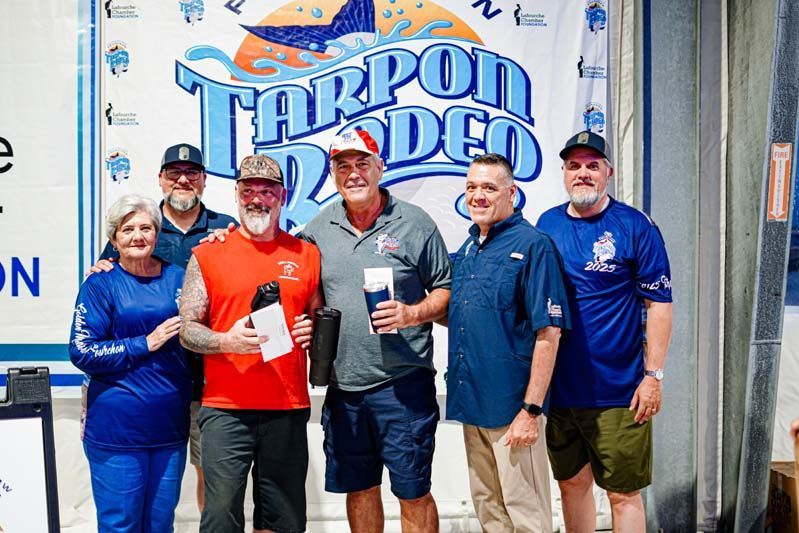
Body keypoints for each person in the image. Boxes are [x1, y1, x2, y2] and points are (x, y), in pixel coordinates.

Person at [300, 129, 451, 532]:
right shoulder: (318, 229)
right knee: (360, 489)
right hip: (344, 388)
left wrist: (413, 313)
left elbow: (446, 291)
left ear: (380, 167)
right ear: (332, 174)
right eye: (343, 166)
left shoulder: (414, 223)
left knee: (413, 490)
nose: (353, 174)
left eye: (362, 163)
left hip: (402, 385)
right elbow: (286, 273)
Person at [537, 131, 673, 532]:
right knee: (571, 484)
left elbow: (660, 305)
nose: (583, 173)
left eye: (592, 166)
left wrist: (653, 377)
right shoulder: (547, 224)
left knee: (622, 494)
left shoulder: (634, 226)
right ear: (564, 173)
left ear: (608, 173)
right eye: (574, 166)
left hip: (619, 392)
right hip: (561, 392)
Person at [179, 154, 322, 533]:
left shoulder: (306, 254)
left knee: (283, 518)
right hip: (226, 409)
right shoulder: (208, 253)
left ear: (282, 196)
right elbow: (187, 329)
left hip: (287, 405)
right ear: (237, 194)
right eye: (249, 190)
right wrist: (227, 340)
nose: (257, 198)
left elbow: (318, 321)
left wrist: (312, 333)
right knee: (220, 515)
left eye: (267, 191)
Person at [92, 142, 236, 513]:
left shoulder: (225, 229)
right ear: (161, 179)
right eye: (174, 173)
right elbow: (107, 286)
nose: (183, 180)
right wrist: (99, 268)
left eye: (191, 174)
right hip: (153, 382)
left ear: (204, 180)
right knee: (146, 489)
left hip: (212, 378)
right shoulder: (140, 226)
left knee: (212, 475)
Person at [446, 153, 570, 532]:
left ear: (511, 193)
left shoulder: (534, 246)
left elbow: (549, 333)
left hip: (513, 411)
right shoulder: (468, 249)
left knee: (526, 515)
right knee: (489, 509)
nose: (478, 196)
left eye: (489, 188)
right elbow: (463, 314)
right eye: (471, 187)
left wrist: (530, 411)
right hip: (472, 406)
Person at [69, 194, 191, 532]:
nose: (138, 236)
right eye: (128, 229)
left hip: (169, 427)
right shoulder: (100, 283)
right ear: (114, 239)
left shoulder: (179, 277)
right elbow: (82, 351)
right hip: (117, 431)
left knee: (160, 524)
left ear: (157, 233)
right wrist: (145, 343)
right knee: (120, 525)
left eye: (146, 228)